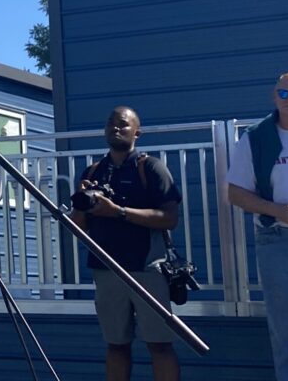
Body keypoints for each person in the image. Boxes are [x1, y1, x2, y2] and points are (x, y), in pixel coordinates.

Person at [70, 106, 181, 381]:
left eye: (123, 124)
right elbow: (78, 227)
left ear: (137, 133)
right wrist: (82, 203)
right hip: (106, 269)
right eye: (111, 124)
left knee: (159, 344)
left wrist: (118, 211)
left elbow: (169, 218)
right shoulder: (93, 171)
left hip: (146, 267)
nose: (116, 128)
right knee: (116, 345)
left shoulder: (150, 167)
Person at [227, 72, 288, 381]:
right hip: (276, 241)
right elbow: (236, 193)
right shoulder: (254, 137)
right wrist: (278, 211)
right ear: (274, 97)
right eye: (284, 93)